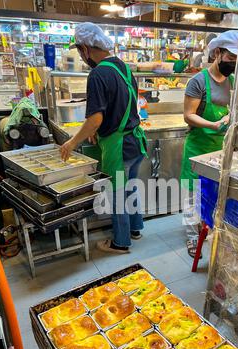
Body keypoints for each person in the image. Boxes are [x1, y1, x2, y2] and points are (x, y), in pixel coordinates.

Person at [61, 23, 147, 254]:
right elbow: (123, 106)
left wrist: (73, 141)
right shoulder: (124, 67)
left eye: (79, 51)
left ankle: (121, 242)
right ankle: (135, 229)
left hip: (119, 146)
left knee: (118, 194)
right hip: (135, 142)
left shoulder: (98, 73)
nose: (81, 56)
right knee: (131, 188)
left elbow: (95, 118)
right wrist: (96, 132)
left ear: (86, 49)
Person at [180, 30, 238, 257]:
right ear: (218, 53)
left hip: (220, 149)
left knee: (213, 196)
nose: (233, 63)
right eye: (230, 58)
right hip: (198, 146)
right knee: (193, 196)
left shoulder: (233, 82)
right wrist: (215, 124)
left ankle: (211, 231)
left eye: (236, 59)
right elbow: (188, 115)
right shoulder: (198, 82)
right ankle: (192, 237)